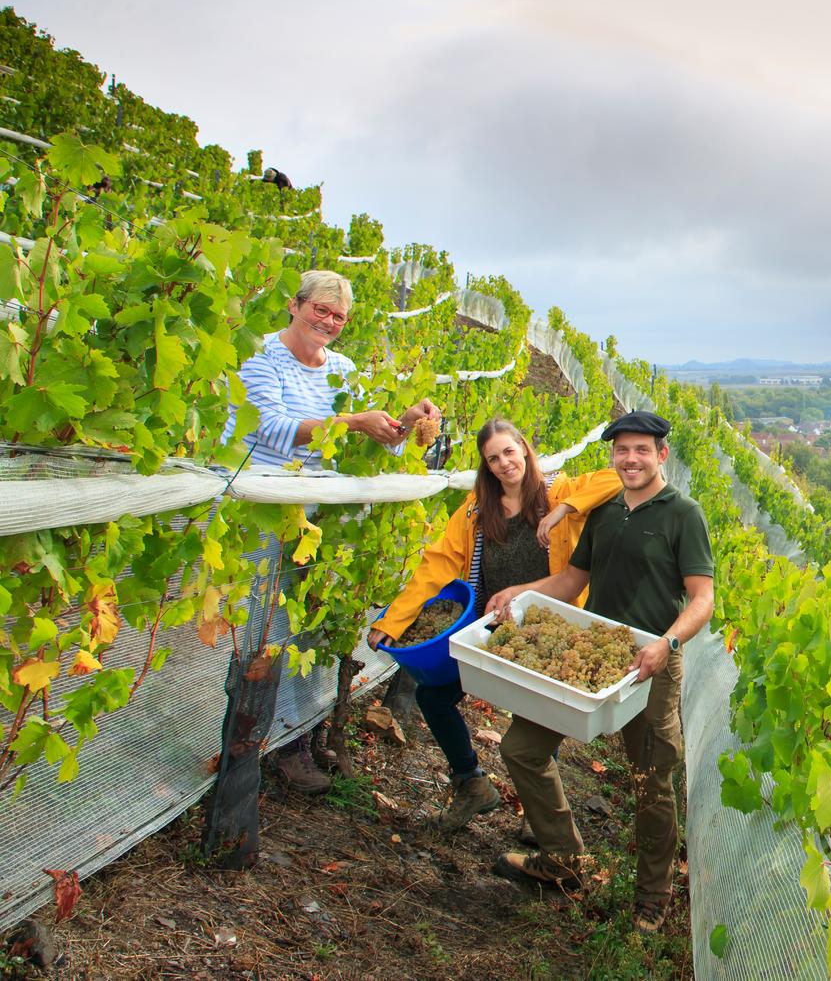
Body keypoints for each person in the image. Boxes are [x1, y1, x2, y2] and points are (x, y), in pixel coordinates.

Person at [484, 410, 714, 935]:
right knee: (520, 749)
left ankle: (651, 897)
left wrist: (667, 642)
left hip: (650, 663)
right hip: (593, 651)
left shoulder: (684, 514)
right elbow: (570, 581)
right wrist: (520, 593)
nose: (630, 459)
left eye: (641, 450)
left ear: (661, 455)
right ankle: (565, 860)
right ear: (613, 456)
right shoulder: (606, 510)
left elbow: (703, 598)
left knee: (651, 782)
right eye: (621, 450)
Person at [226, 268, 441, 794]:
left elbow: (367, 441)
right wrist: (353, 422)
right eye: (320, 309)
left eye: (338, 315)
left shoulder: (341, 367)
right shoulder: (263, 358)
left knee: (312, 627)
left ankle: (302, 731)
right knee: (268, 631)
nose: (328, 321)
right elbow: (269, 428)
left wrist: (402, 424)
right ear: (295, 305)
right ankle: (261, 747)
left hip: (322, 524)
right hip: (266, 514)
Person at [367, 418, 621, 830]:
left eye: (509, 451)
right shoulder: (475, 510)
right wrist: (395, 621)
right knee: (434, 698)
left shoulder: (559, 490)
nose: (504, 463)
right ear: (486, 466)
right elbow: (438, 564)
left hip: (545, 627)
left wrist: (564, 509)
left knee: (536, 717)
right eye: (493, 458)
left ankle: (538, 812)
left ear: (523, 448)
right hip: (490, 623)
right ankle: (471, 785)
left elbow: (616, 478)